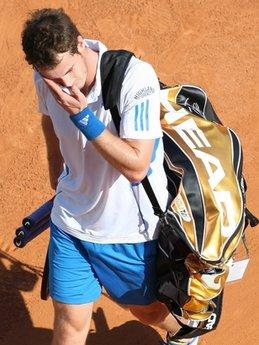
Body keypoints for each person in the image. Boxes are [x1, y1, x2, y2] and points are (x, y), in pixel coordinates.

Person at [21, 8, 198, 345]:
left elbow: (136, 166)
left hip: (130, 230)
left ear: (78, 42)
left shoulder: (134, 77)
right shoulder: (47, 79)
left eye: (69, 72)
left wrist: (82, 117)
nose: (66, 85)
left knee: (147, 312)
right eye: (53, 79)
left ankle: (184, 335)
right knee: (69, 322)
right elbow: (48, 116)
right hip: (71, 222)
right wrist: (55, 168)